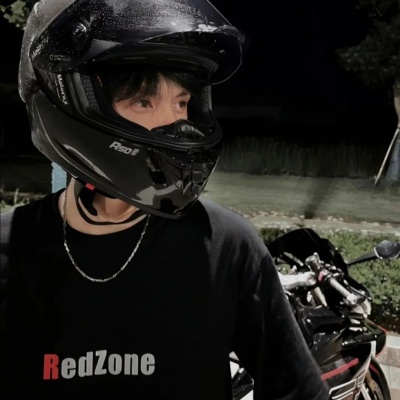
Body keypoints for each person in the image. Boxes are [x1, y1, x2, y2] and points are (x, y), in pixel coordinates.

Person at [0, 0, 330, 399]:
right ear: (74, 103)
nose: (177, 125)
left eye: (182, 102)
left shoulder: (224, 245)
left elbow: (298, 390)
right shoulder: (10, 248)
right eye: (144, 101)